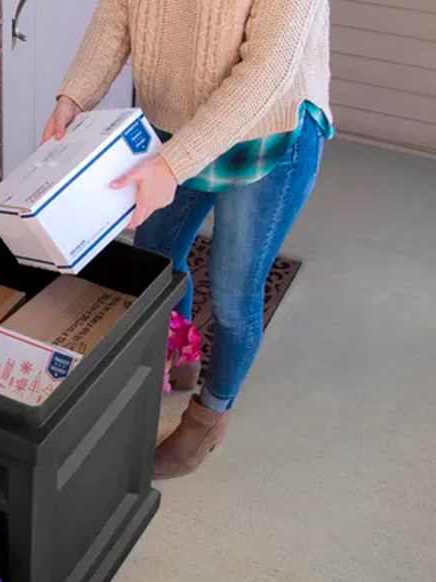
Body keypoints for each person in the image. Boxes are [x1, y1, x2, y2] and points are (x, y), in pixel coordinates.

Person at [44, 0, 333, 479]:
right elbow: (118, 13)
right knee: (154, 259)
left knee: (233, 291)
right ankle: (182, 351)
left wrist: (172, 165)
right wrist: (75, 95)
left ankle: (208, 417)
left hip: (268, 131)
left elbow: (268, 73)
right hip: (173, 124)